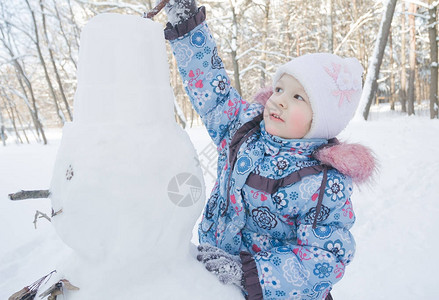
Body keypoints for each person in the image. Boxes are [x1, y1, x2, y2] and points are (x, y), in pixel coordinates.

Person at [147, 1, 376, 299]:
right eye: (279, 89)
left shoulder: (321, 184)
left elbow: (325, 258)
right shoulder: (243, 130)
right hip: (216, 282)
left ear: (321, 121)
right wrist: (189, 26)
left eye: (297, 97)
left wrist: (250, 272)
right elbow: (213, 91)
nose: (278, 100)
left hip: (269, 291)